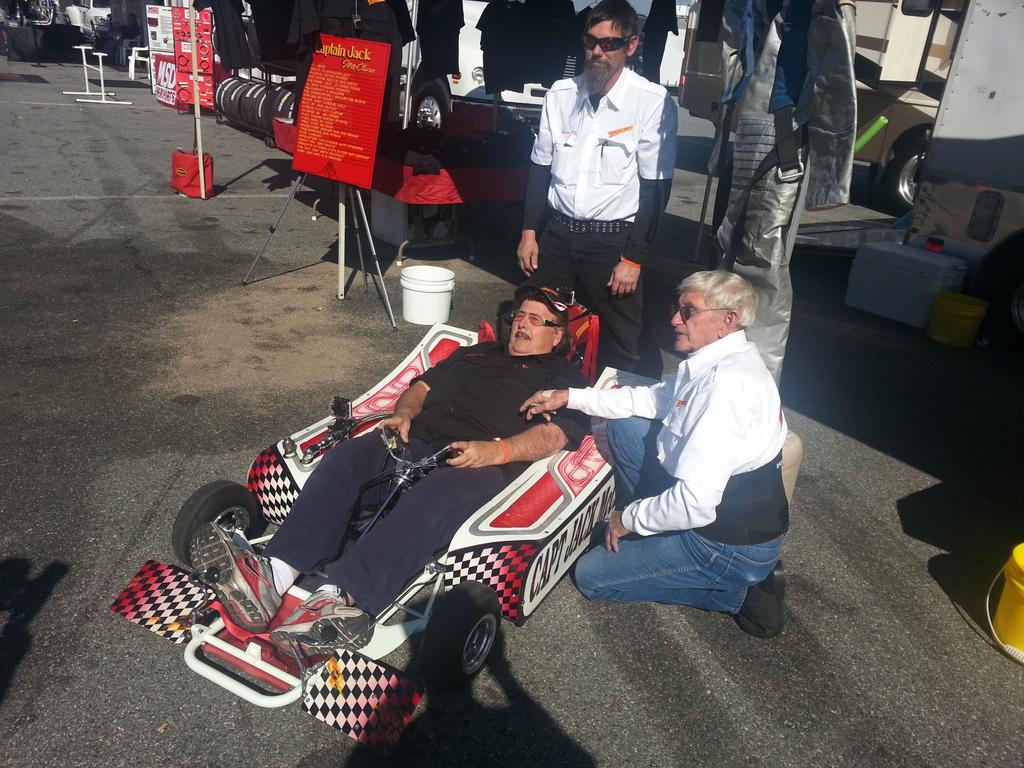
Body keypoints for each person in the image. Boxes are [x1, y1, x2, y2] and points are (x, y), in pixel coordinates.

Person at [193, 287, 589, 652]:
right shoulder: (477, 352)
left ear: (557, 337)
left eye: (537, 320)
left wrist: (497, 451)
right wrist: (402, 414)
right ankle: (274, 574)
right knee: (348, 459)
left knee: (429, 501)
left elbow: (557, 435)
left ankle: (337, 599)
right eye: (520, 315)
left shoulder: (562, 377)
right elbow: (423, 387)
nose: (522, 323)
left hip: (478, 460)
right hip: (417, 439)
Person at [520, 271, 789, 638]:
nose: (675, 319)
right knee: (624, 423)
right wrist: (570, 396)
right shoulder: (717, 359)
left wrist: (628, 519)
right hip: (721, 508)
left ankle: (744, 596)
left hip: (725, 542)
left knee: (591, 576)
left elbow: (697, 504)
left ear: (728, 319)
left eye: (689, 311)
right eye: (677, 308)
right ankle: (655, 528)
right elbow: (652, 400)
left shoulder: (725, 389)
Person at [517, 0, 677, 374]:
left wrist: (634, 258)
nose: (597, 52)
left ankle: (617, 423)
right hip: (556, 235)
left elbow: (655, 190)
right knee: (537, 322)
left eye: (610, 44)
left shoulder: (651, 103)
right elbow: (540, 168)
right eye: (591, 42)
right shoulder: (560, 95)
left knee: (622, 342)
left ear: (631, 47)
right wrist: (529, 232)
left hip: (612, 243)